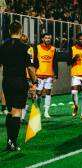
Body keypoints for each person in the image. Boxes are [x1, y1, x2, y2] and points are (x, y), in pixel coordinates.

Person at [0, 21, 37, 151]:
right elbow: (31, 68)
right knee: (17, 112)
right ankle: (13, 142)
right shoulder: (25, 48)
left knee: (10, 112)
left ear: (9, 31)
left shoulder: (2, 47)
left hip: (7, 81)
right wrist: (34, 82)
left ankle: (9, 141)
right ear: (20, 31)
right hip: (20, 81)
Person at [34, 33, 58, 118]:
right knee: (39, 93)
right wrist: (34, 73)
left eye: (49, 38)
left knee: (48, 92)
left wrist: (56, 74)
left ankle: (46, 112)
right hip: (39, 74)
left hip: (49, 74)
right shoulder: (37, 47)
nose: (48, 39)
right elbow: (34, 61)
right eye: (46, 38)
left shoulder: (53, 49)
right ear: (42, 39)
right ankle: (39, 108)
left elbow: (55, 62)